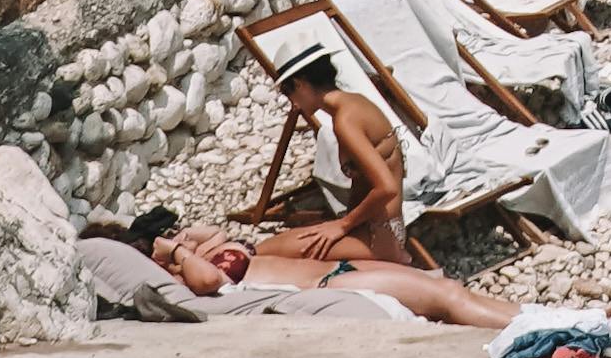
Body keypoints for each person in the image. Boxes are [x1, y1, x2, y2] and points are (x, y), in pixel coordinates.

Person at [128, 76, 510, 330]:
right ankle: (535, 319)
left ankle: (538, 323)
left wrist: (340, 225)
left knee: (446, 298)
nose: (292, 105)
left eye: (290, 95)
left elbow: (386, 189)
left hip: (377, 235)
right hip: (376, 235)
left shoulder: (344, 121)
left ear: (303, 85)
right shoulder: (356, 104)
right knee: (446, 296)